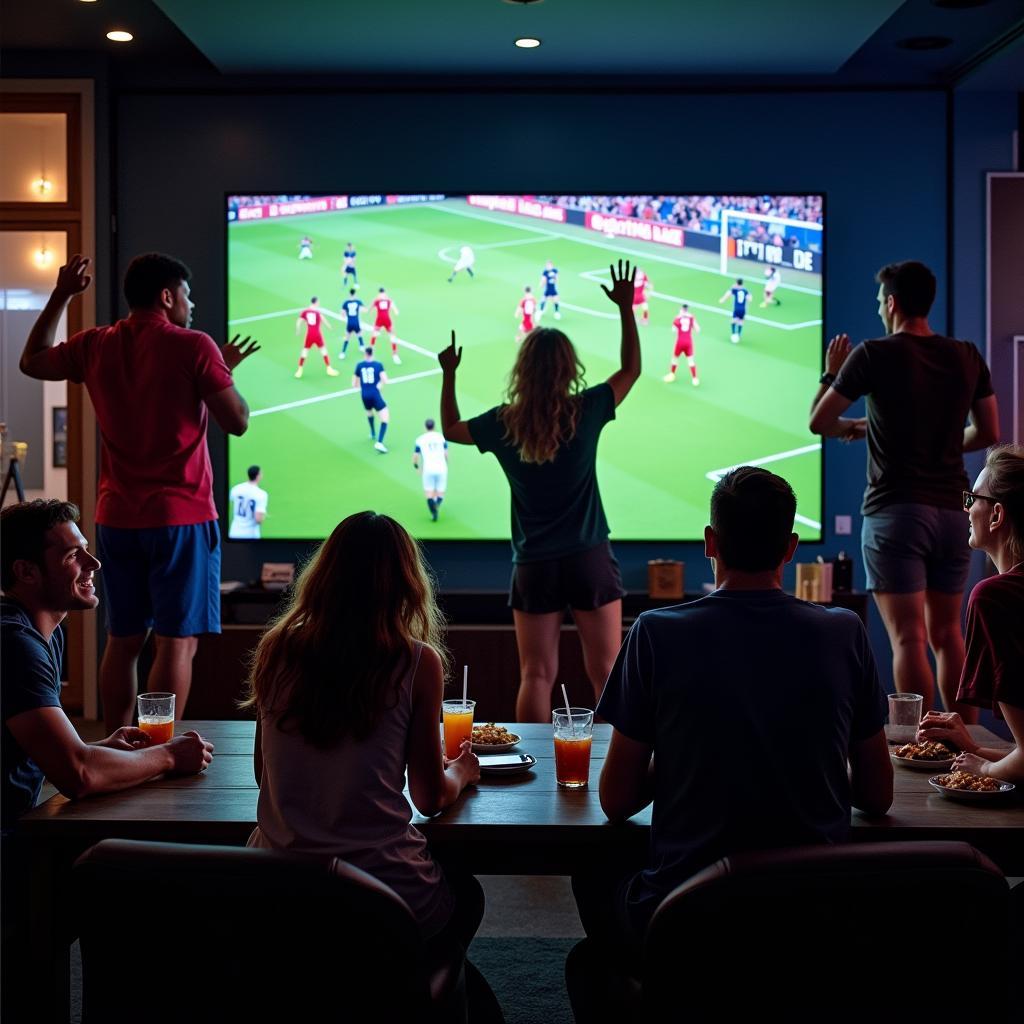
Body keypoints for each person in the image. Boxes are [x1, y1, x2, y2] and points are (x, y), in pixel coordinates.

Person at [570, 467, 892, 987]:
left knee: (592, 896)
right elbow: (877, 795)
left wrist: (690, 761)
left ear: (709, 543)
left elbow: (616, 800)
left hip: (685, 917)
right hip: (816, 914)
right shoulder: (844, 631)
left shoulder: (655, 634)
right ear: (791, 548)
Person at [242, 512, 496, 1006]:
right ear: (406, 585)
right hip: (382, 892)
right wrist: (461, 771)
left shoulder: (277, 649)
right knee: (465, 896)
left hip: (277, 891)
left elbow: (262, 776)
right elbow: (429, 797)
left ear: (325, 576)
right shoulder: (417, 661)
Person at [20, 254, 260, 732]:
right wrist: (220, 370)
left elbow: (32, 361)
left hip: (116, 519)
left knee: (124, 639)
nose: (191, 305)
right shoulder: (194, 346)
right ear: (168, 297)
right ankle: (159, 747)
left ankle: (118, 742)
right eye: (187, 295)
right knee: (177, 642)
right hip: (181, 518)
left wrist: (63, 294)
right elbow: (238, 420)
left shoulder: (95, 344)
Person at [1, 500, 214, 1018]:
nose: (93, 565)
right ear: (26, 572)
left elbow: (70, 757)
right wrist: (167, 756)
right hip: (10, 852)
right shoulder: (17, 643)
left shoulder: (34, 633)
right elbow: (77, 775)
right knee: (141, 889)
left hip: (19, 831)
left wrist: (101, 749)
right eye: (74, 555)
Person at [440, 259, 640, 722]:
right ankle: (610, 775)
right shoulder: (587, 409)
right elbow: (631, 369)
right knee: (608, 671)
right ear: (569, 367)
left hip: (533, 562)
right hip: (589, 556)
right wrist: (626, 310)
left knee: (535, 676)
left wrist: (449, 372)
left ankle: (533, 785)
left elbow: (450, 427)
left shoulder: (504, 423)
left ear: (523, 370)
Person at [809, 260, 1000, 716]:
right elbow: (988, 431)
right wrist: (928, 436)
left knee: (907, 638)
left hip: (894, 511)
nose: (879, 310)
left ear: (891, 303)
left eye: (879, 302)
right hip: (956, 513)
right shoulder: (967, 355)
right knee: (948, 635)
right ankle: (964, 744)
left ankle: (918, 743)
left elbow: (820, 421)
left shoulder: (873, 353)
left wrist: (830, 375)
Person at [917, 444, 1024, 784]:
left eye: (971, 499)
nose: (965, 509)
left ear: (996, 515)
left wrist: (985, 769)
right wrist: (973, 749)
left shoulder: (994, 596)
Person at [353, 346, 390, 453]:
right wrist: (380, 384)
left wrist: (364, 386)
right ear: (372, 353)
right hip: (375, 393)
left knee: (369, 412)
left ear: (365, 354)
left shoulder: (359, 365)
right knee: (385, 417)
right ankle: (379, 442)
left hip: (364, 394)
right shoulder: (378, 365)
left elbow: (354, 384)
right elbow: (385, 380)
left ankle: (372, 432)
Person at [294, 297, 339, 379]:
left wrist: (298, 330)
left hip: (309, 335)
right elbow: (324, 321)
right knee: (323, 350)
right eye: (318, 302)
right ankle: (329, 368)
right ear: (316, 302)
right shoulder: (317, 312)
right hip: (317, 335)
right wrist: (330, 327)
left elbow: (299, 321)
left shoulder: (305, 312)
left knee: (305, 351)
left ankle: (300, 369)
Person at [413, 418, 449, 521]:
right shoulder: (441, 437)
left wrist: (417, 467)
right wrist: (446, 463)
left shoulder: (420, 439)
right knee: (440, 492)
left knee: (429, 493)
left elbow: (415, 456)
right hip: (442, 468)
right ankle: (437, 505)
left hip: (428, 469)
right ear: (434, 426)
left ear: (425, 427)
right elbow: (446, 453)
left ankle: (433, 512)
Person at [229, 465, 269, 539]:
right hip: (250, 535)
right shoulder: (261, 494)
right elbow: (258, 519)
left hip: (234, 532)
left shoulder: (236, 489)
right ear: (258, 476)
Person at [664, 303, 700, 385]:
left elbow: (673, 330)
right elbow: (698, 329)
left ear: (681, 309)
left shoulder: (678, 318)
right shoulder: (691, 318)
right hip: (688, 342)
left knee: (675, 358)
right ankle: (695, 378)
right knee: (691, 360)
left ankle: (672, 374)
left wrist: (678, 318)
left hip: (680, 342)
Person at [370, 287, 401, 364]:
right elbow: (370, 309)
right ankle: (371, 352)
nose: (382, 295)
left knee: (393, 337)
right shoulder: (378, 301)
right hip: (380, 321)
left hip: (386, 321)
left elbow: (395, 310)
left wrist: (396, 311)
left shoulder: (387, 301)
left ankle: (395, 355)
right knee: (374, 335)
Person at [718, 277, 750, 343]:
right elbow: (750, 299)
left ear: (736, 283)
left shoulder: (734, 290)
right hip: (743, 309)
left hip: (737, 308)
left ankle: (733, 333)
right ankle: (738, 334)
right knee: (741, 321)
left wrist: (722, 300)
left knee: (733, 321)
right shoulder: (745, 291)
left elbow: (728, 294)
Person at [339, 288, 364, 360]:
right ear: (355, 294)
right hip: (356, 321)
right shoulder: (358, 301)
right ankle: (361, 346)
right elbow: (364, 309)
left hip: (349, 322)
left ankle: (342, 353)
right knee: (359, 334)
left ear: (349, 294)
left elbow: (342, 314)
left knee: (347, 337)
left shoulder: (345, 303)